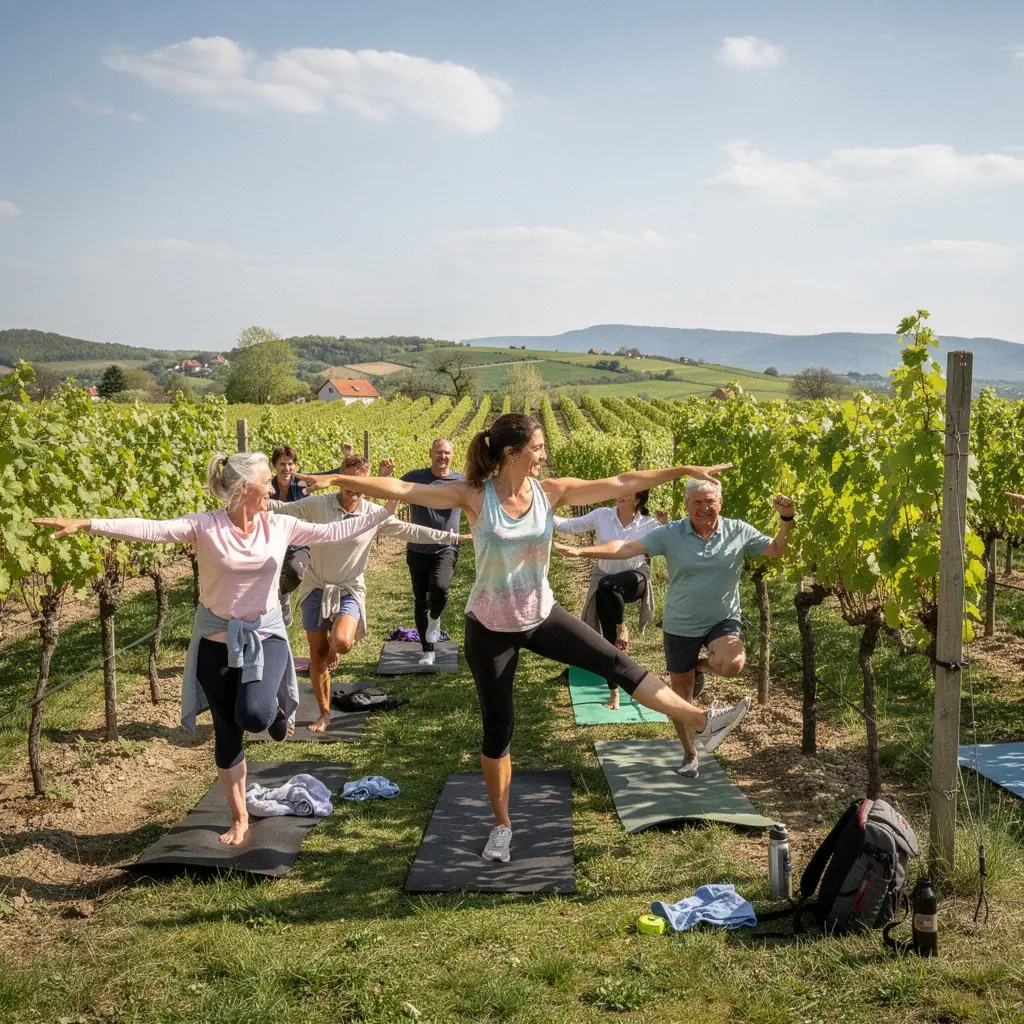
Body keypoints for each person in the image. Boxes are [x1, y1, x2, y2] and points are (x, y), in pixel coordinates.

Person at [300, 413, 749, 865]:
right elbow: (403, 490)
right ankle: (501, 826)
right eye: (536, 448)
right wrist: (336, 478)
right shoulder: (473, 494)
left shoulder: (549, 491)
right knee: (499, 727)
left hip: (540, 615)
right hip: (490, 627)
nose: (543, 455)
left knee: (617, 663)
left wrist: (682, 471)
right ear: (511, 453)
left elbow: (620, 480)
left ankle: (700, 721)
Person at [33, 452, 396, 846]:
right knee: (227, 732)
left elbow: (336, 533)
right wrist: (87, 524)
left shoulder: (281, 524)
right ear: (244, 488)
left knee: (254, 716)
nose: (273, 488)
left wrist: (389, 506)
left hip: (265, 635)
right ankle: (240, 816)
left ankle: (276, 711)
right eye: (265, 482)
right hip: (215, 641)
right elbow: (150, 529)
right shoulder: (206, 526)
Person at [558, 477, 795, 779]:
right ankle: (690, 755)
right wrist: (584, 552)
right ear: (686, 506)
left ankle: (701, 667)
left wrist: (786, 520)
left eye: (709, 501)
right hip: (681, 622)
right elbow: (625, 547)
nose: (704, 507)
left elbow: (777, 550)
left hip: (722, 619)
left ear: (719, 503)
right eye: (696, 502)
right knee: (681, 695)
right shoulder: (671, 533)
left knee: (733, 663)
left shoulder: (738, 530)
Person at [270, 451, 466, 732]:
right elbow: (282, 510)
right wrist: (249, 499)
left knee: (341, 643)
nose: (354, 489)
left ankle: (335, 642)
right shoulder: (318, 505)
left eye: (361, 483)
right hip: (316, 585)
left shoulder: (374, 514)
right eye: (348, 481)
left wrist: (451, 537)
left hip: (349, 587)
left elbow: (410, 530)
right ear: (339, 480)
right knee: (317, 654)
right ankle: (324, 714)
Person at [553, 492, 667, 710]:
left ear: (637, 500)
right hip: (606, 584)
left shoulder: (649, 523)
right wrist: (547, 509)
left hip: (635, 579)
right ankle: (614, 694)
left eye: (628, 492)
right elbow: (568, 525)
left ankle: (622, 626)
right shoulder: (602, 515)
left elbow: (669, 541)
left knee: (608, 585)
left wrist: (665, 523)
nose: (620, 495)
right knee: (608, 644)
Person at [401, 438, 466, 667]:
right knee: (422, 600)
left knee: (440, 587)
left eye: (447, 452)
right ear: (431, 454)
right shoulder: (414, 478)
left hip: (447, 547)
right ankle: (428, 650)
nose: (443, 456)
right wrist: (385, 475)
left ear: (453, 455)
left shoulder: (461, 481)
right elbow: (391, 489)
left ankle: (435, 617)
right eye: (439, 452)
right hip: (418, 547)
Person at [270, 444, 309, 628]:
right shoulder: (267, 487)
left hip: (298, 543)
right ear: (275, 466)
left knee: (294, 573)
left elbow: (332, 475)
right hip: (273, 542)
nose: (287, 468)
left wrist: (346, 457)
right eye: (282, 464)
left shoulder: (302, 485)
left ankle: (282, 595)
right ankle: (276, 616)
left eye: (290, 464)